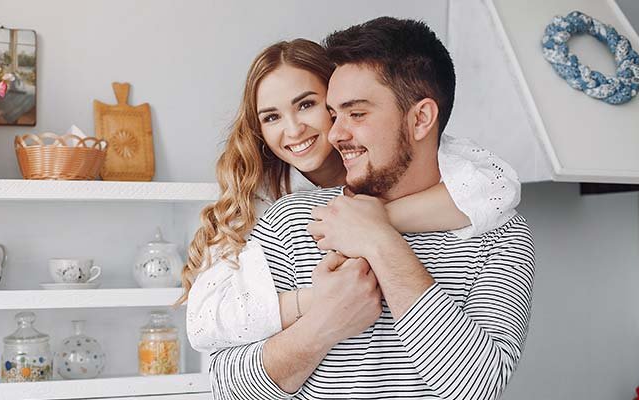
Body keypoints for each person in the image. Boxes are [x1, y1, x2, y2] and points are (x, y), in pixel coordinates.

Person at [208, 16, 535, 400]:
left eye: (356, 113)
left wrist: (380, 240)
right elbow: (225, 384)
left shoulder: (500, 236)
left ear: (421, 119)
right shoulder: (293, 220)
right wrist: (324, 324)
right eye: (334, 114)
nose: (334, 134)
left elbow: (477, 386)